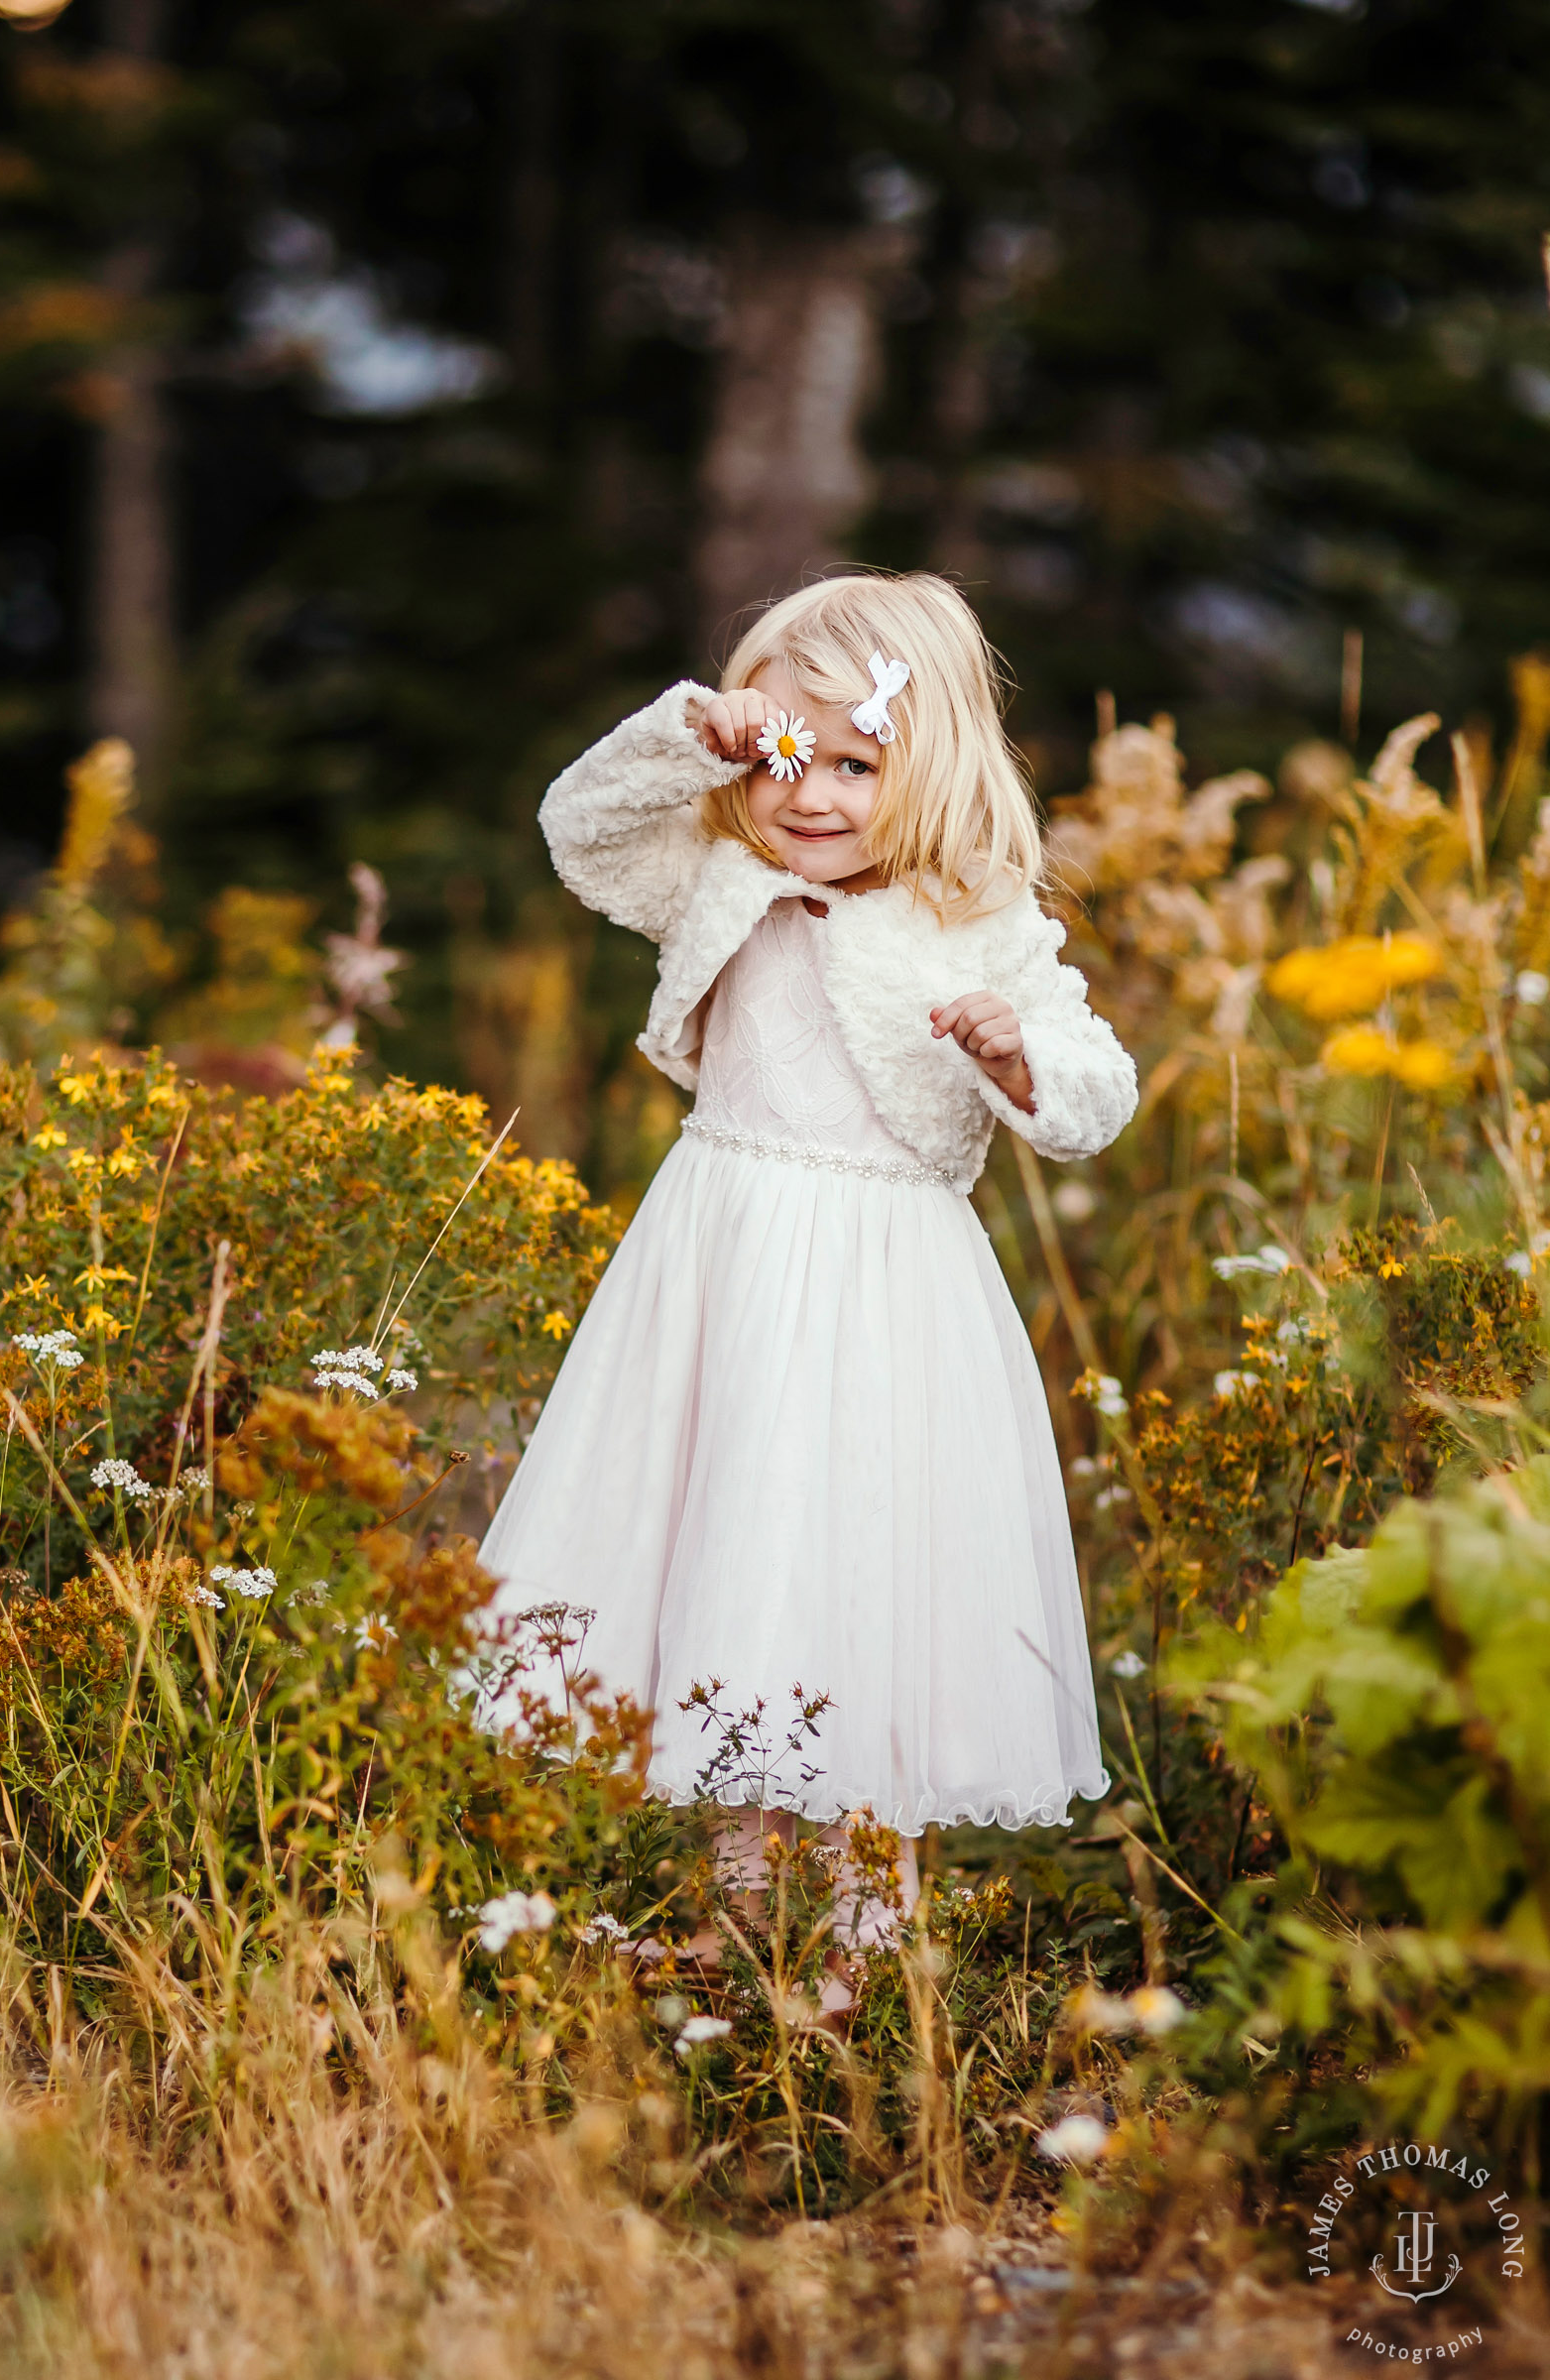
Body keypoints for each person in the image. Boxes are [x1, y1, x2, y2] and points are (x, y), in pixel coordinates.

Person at [479, 572, 1135, 1987]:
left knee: (866, 1573)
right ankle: (736, 1901)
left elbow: (1095, 1088)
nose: (813, 798)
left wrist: (1015, 1049)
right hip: (718, 1271)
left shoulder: (980, 920)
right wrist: (689, 738)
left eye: (855, 763)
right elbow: (577, 831)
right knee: (734, 1565)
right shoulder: (719, 881)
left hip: (886, 1292)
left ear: (932, 767)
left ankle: (863, 1915)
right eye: (787, 759)